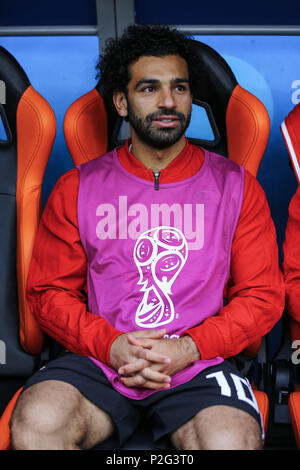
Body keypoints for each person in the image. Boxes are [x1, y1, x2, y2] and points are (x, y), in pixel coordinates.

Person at [10, 24, 284, 450]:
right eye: (149, 88)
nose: (168, 102)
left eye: (180, 88)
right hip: (98, 361)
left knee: (230, 440)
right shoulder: (78, 187)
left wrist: (189, 348)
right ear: (121, 102)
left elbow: (262, 296)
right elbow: (48, 292)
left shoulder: (237, 186)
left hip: (198, 364)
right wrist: (111, 345)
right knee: (37, 424)